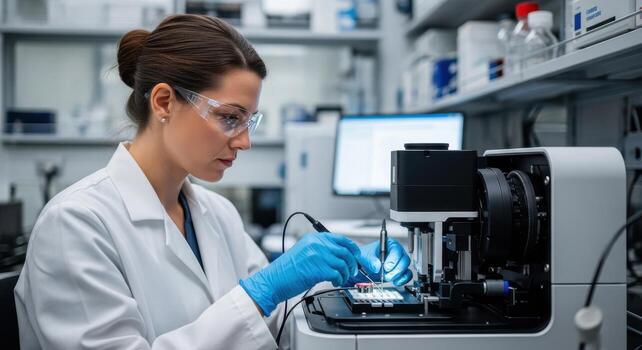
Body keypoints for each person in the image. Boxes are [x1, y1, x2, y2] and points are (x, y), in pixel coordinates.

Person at [14, 14, 412, 350]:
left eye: (249, 121)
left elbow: (273, 322)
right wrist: (263, 289)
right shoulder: (75, 224)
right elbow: (255, 302)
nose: (245, 141)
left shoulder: (216, 213)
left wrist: (344, 279)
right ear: (164, 102)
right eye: (229, 118)